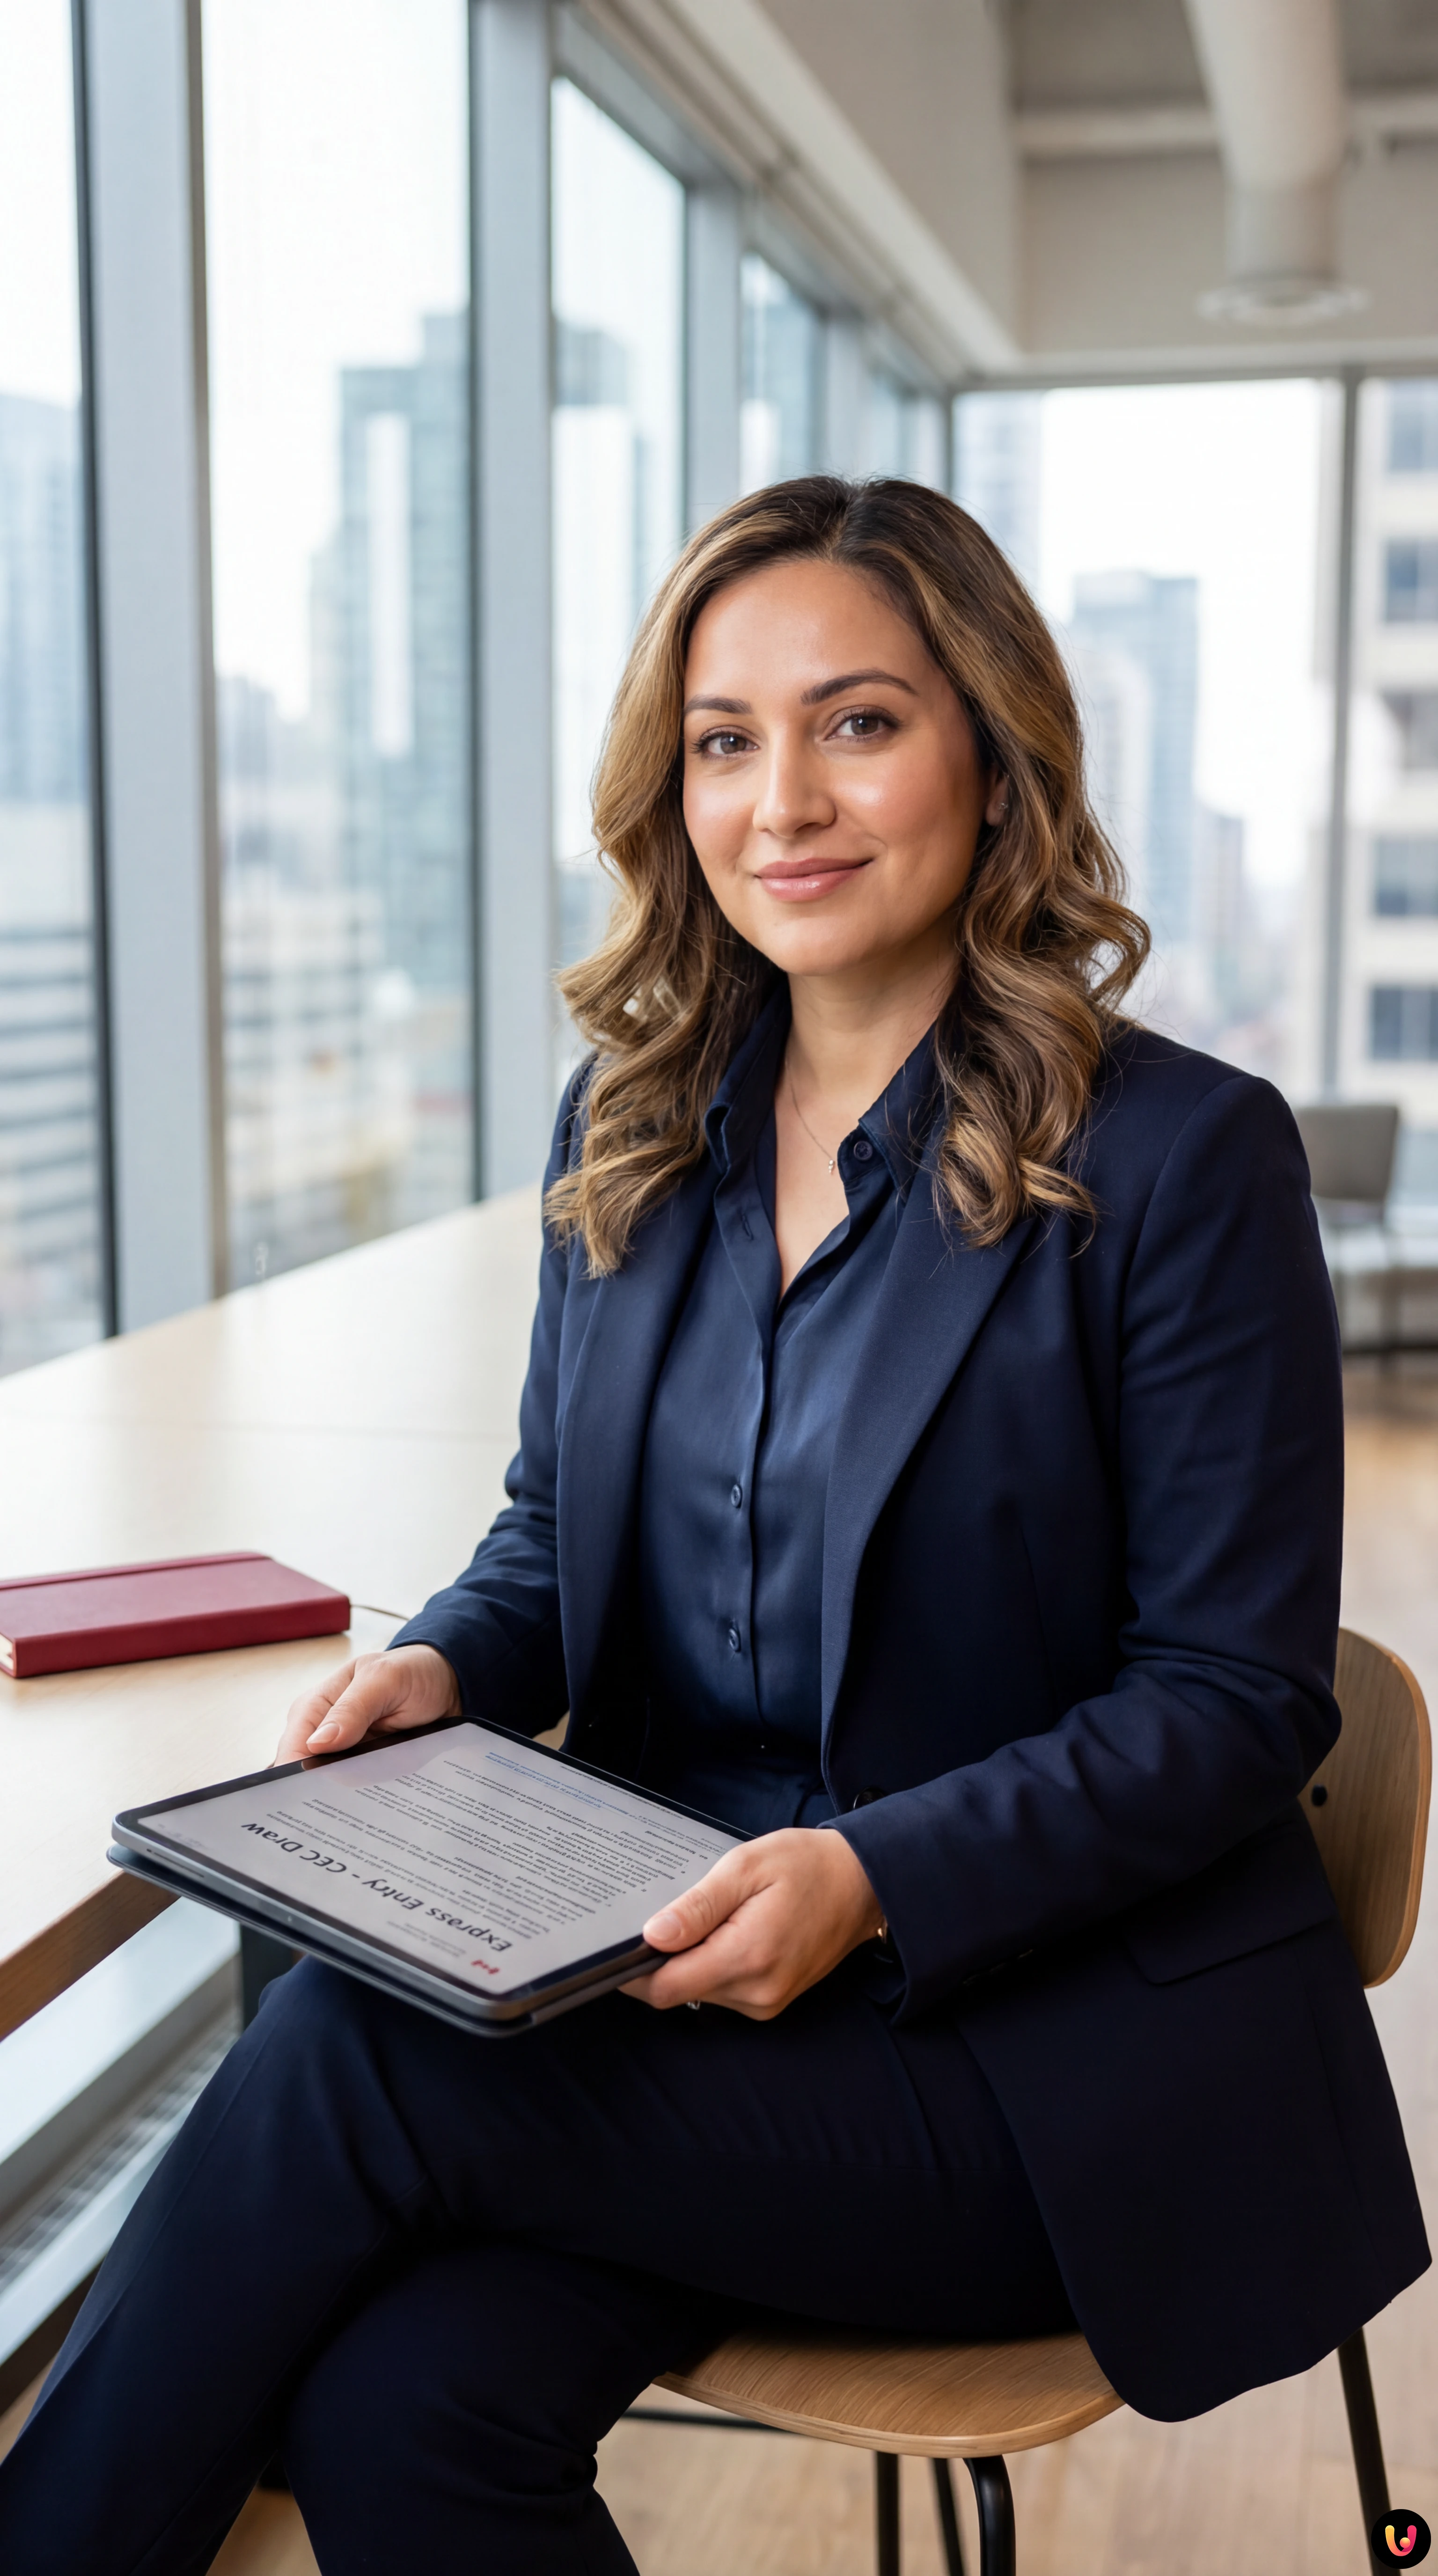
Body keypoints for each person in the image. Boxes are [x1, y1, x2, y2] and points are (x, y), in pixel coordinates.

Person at [0, 476, 1426, 2575]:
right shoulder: (634, 1121)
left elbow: (1228, 1700)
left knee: (351, 2062)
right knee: (405, 2410)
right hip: (679, 1992)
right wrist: (456, 1662)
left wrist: (869, 1872)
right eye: (724, 738)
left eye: (859, 720)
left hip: (1036, 2061)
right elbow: (554, 1543)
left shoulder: (1185, 1157)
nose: (786, 800)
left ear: (993, 749)